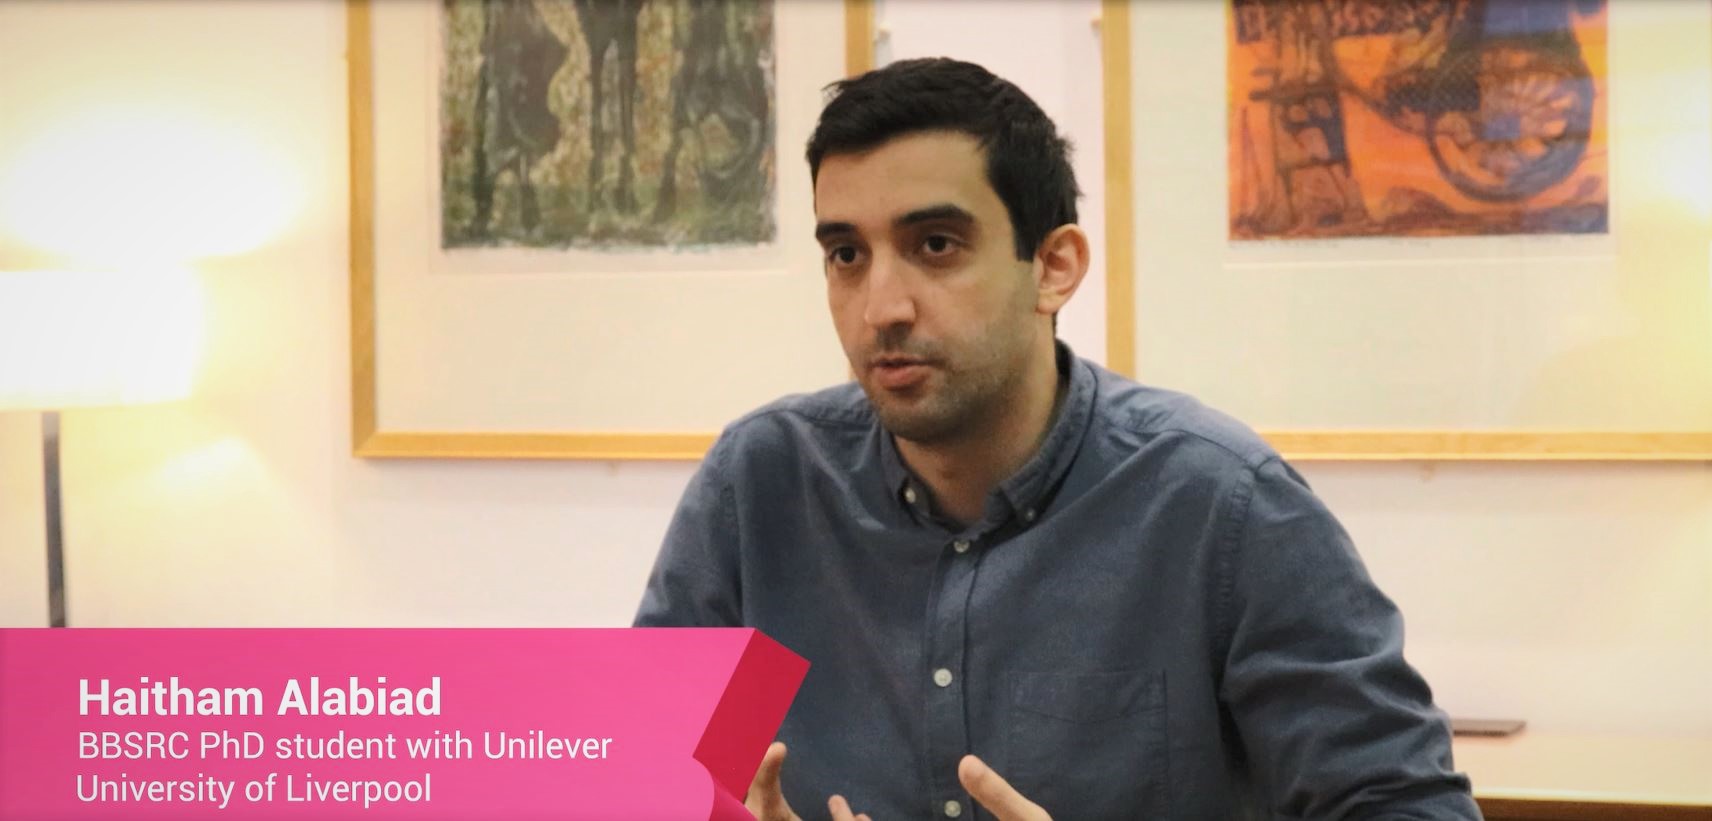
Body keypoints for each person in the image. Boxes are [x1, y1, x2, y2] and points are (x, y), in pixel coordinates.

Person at [634, 57, 1479, 820]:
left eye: (935, 245)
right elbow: (636, 782)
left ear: (1054, 266)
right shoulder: (763, 484)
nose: (881, 306)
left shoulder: (1220, 505)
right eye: (846, 254)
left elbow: (1407, 806)